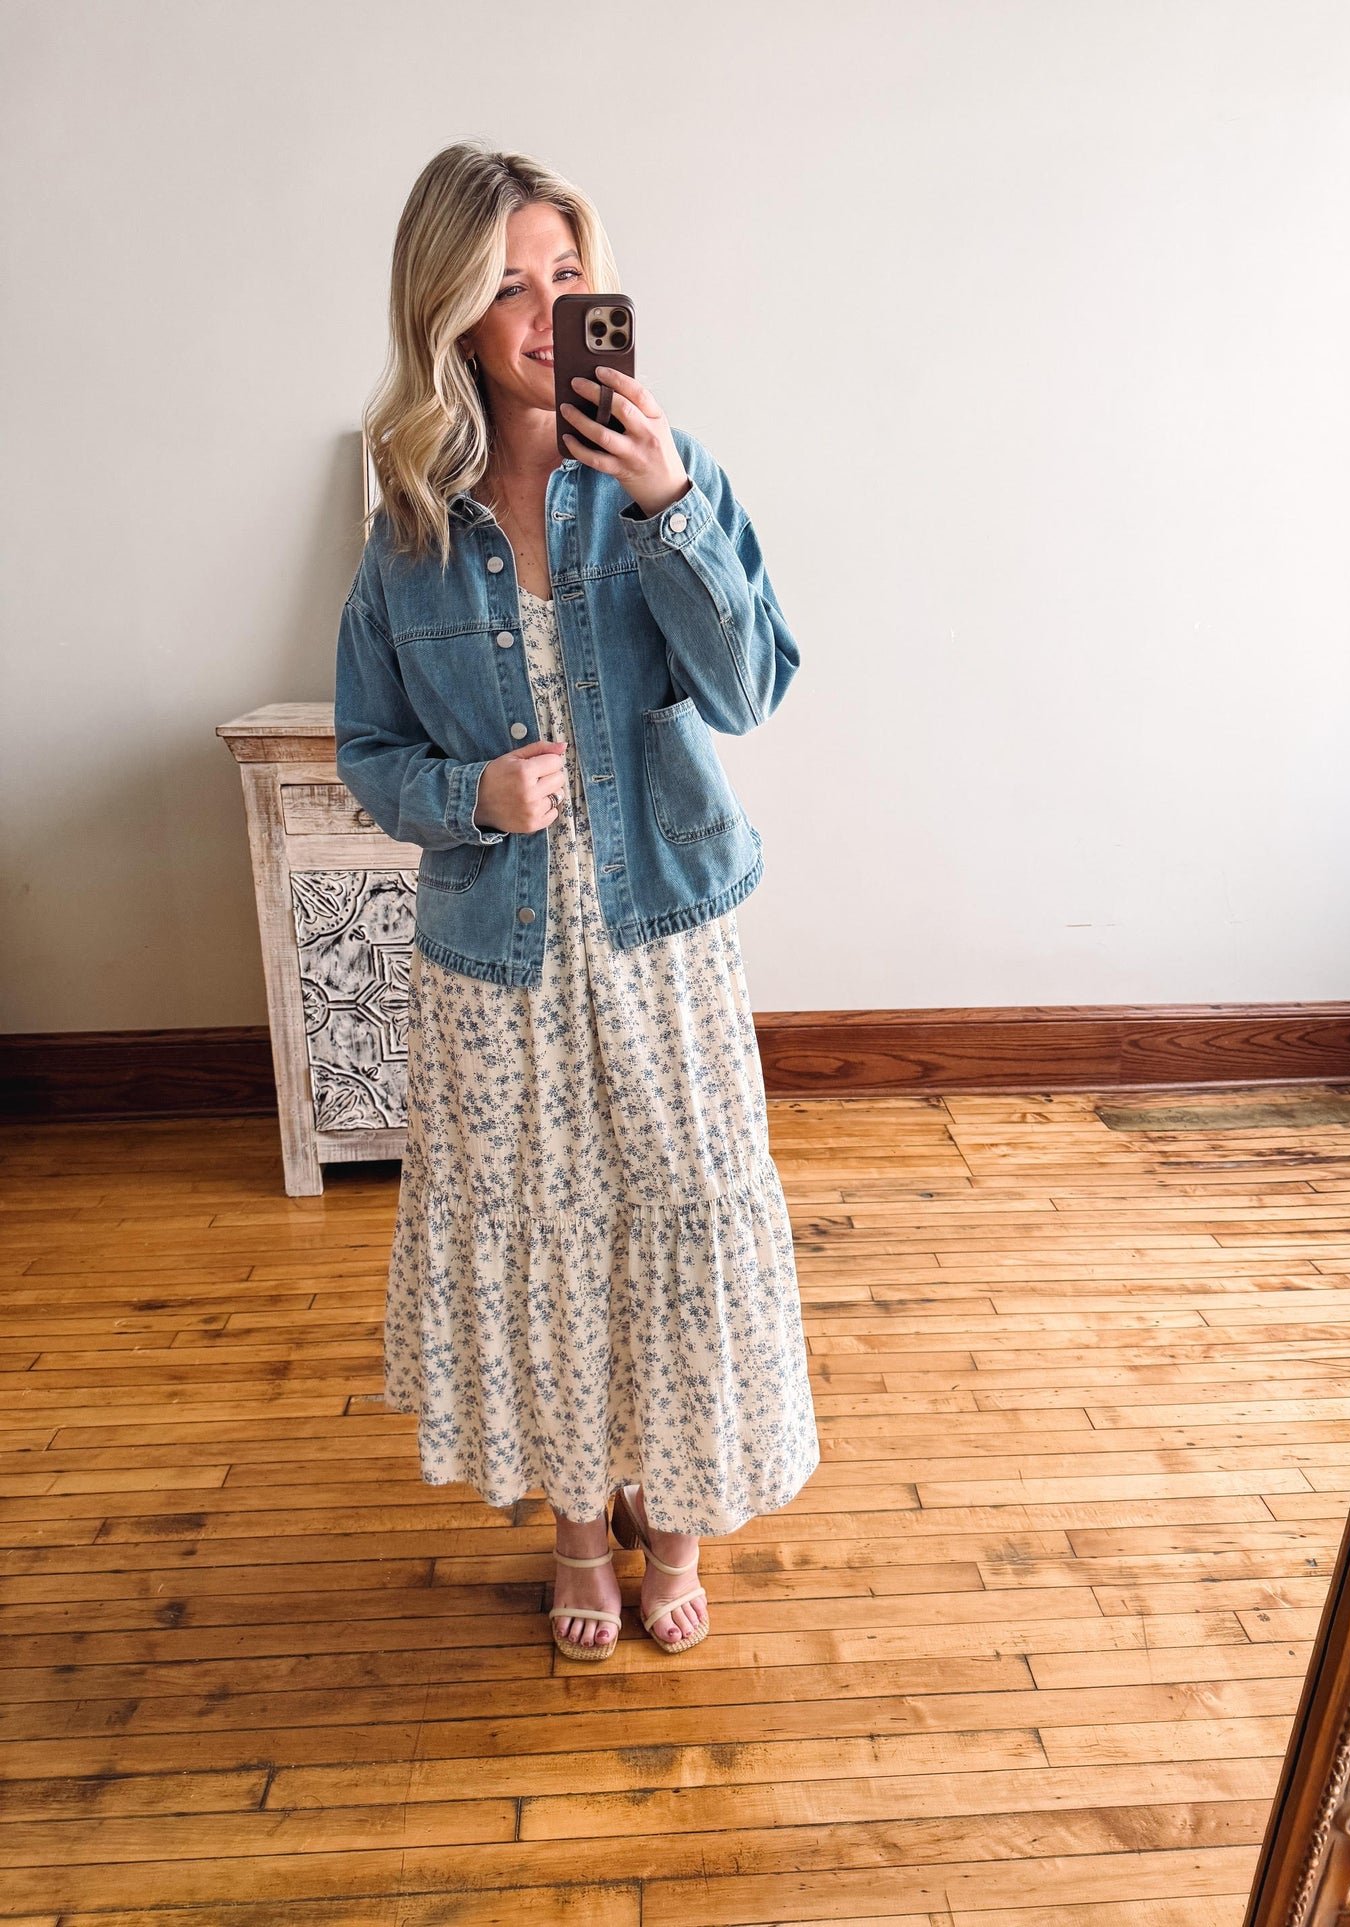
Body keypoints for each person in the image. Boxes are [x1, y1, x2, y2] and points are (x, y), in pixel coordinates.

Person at [334, 142, 819, 1661]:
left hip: (662, 933)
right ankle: (571, 1528)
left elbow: (751, 687)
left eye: (567, 277)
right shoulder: (409, 524)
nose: (550, 313)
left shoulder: (660, 477)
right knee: (541, 1237)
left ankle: (670, 1524)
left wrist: (668, 498)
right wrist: (470, 798)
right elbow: (366, 745)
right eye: (511, 287)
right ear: (453, 319)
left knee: (684, 1220)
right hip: (499, 957)